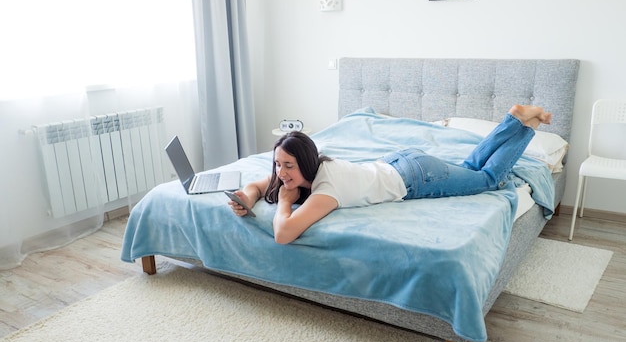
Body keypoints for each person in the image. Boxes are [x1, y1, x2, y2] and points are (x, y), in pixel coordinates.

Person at [228, 105, 552, 244]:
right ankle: (514, 118)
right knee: (470, 168)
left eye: (288, 166)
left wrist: (284, 203)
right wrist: (246, 196)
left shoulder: (326, 191)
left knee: (487, 179)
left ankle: (528, 126)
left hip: (416, 178)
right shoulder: (315, 169)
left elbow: (284, 234)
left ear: (306, 162)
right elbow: (260, 184)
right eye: (277, 164)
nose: (280, 173)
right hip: (402, 161)